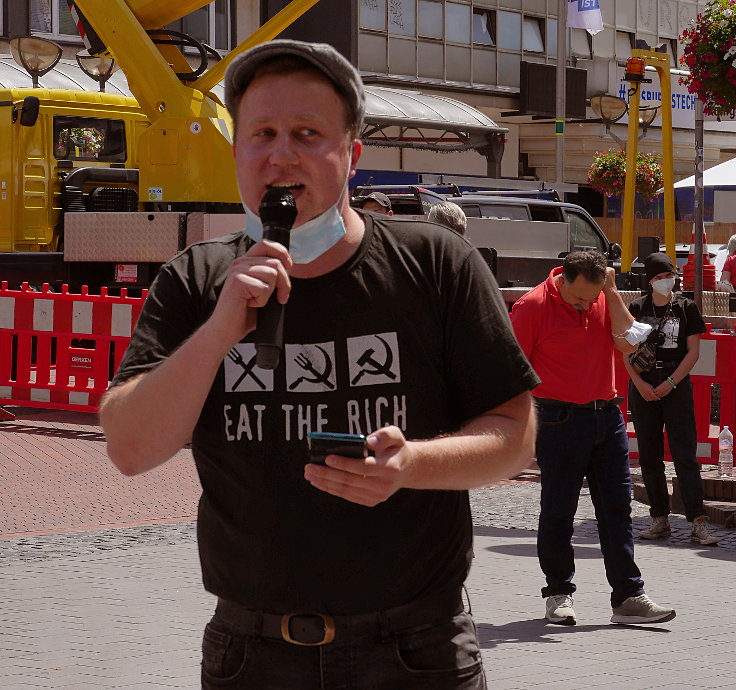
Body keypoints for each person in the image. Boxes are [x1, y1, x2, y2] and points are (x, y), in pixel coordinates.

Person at [100, 39, 539, 689]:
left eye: (308, 134)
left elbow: (515, 439)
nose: (282, 154)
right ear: (237, 153)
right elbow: (130, 447)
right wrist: (219, 331)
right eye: (263, 134)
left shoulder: (437, 266)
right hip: (253, 652)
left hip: (416, 648)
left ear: (351, 155)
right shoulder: (195, 280)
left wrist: (411, 465)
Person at [510, 250, 676, 627]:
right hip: (556, 418)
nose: (586, 304)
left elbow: (630, 344)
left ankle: (628, 596)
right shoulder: (533, 305)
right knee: (559, 511)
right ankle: (558, 593)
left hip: (607, 415)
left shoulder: (603, 295)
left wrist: (612, 293)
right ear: (562, 279)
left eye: (593, 297)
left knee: (617, 510)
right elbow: (513, 368)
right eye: (580, 297)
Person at [624, 252, 718, 546]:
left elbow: (693, 352)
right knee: (649, 456)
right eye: (661, 277)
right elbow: (626, 351)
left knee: (684, 454)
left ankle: (697, 521)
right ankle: (659, 518)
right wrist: (639, 384)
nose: (668, 281)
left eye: (670, 276)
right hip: (643, 385)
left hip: (675, 384)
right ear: (650, 280)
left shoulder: (686, 308)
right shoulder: (637, 307)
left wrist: (671, 382)